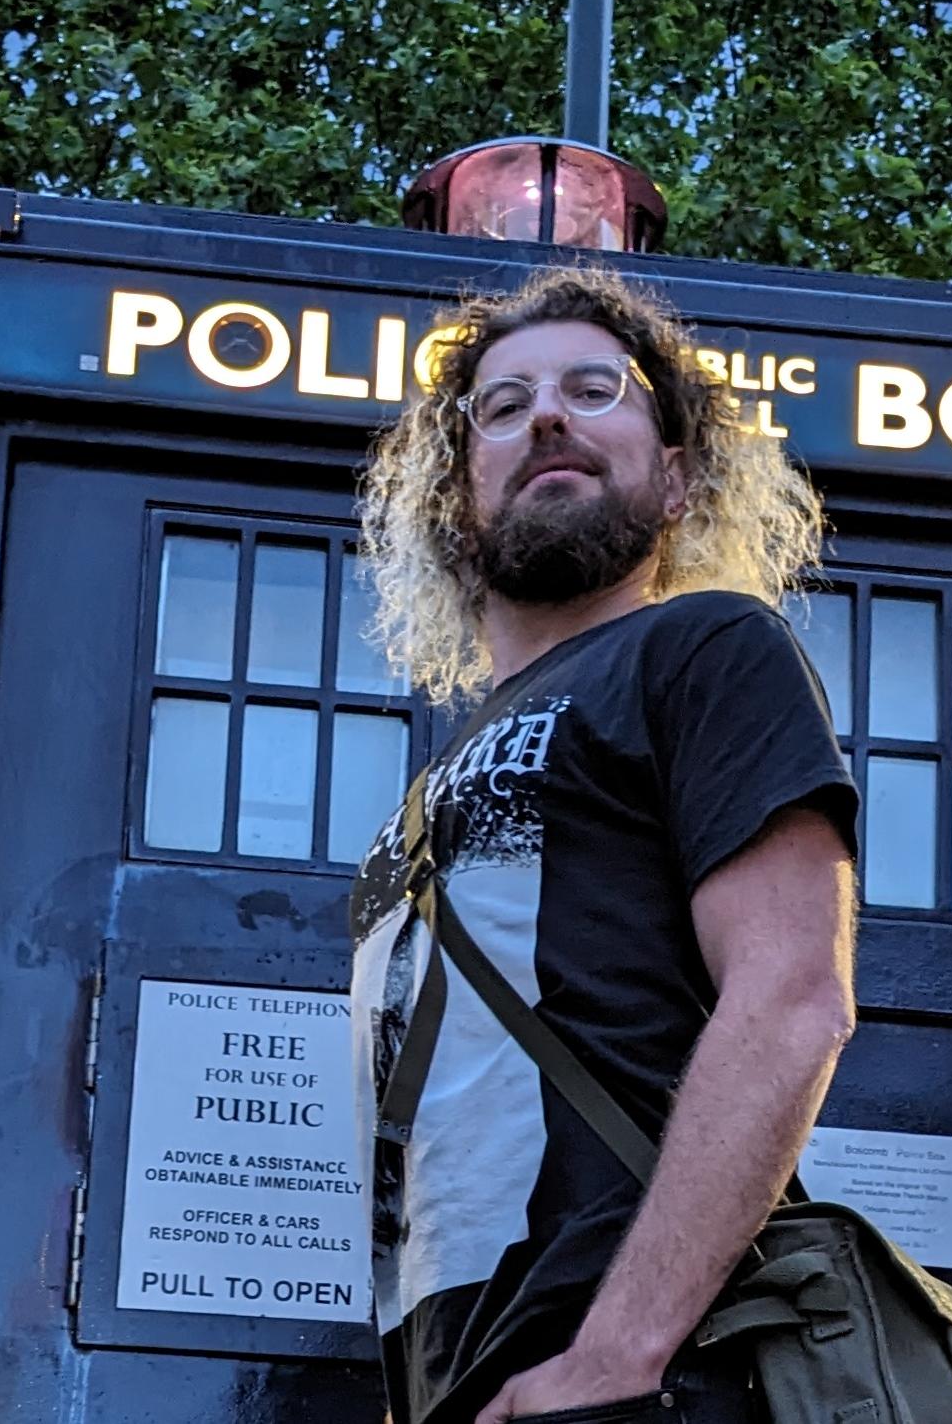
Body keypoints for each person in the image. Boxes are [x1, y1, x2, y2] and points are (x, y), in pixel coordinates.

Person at [350, 266, 859, 1424]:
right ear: (454, 493)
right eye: (504, 404)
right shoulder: (434, 778)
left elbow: (793, 998)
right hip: (474, 1372)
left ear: (677, 479)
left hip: (647, 1378)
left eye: (596, 388)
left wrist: (618, 1354)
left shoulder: (707, 647)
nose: (549, 416)